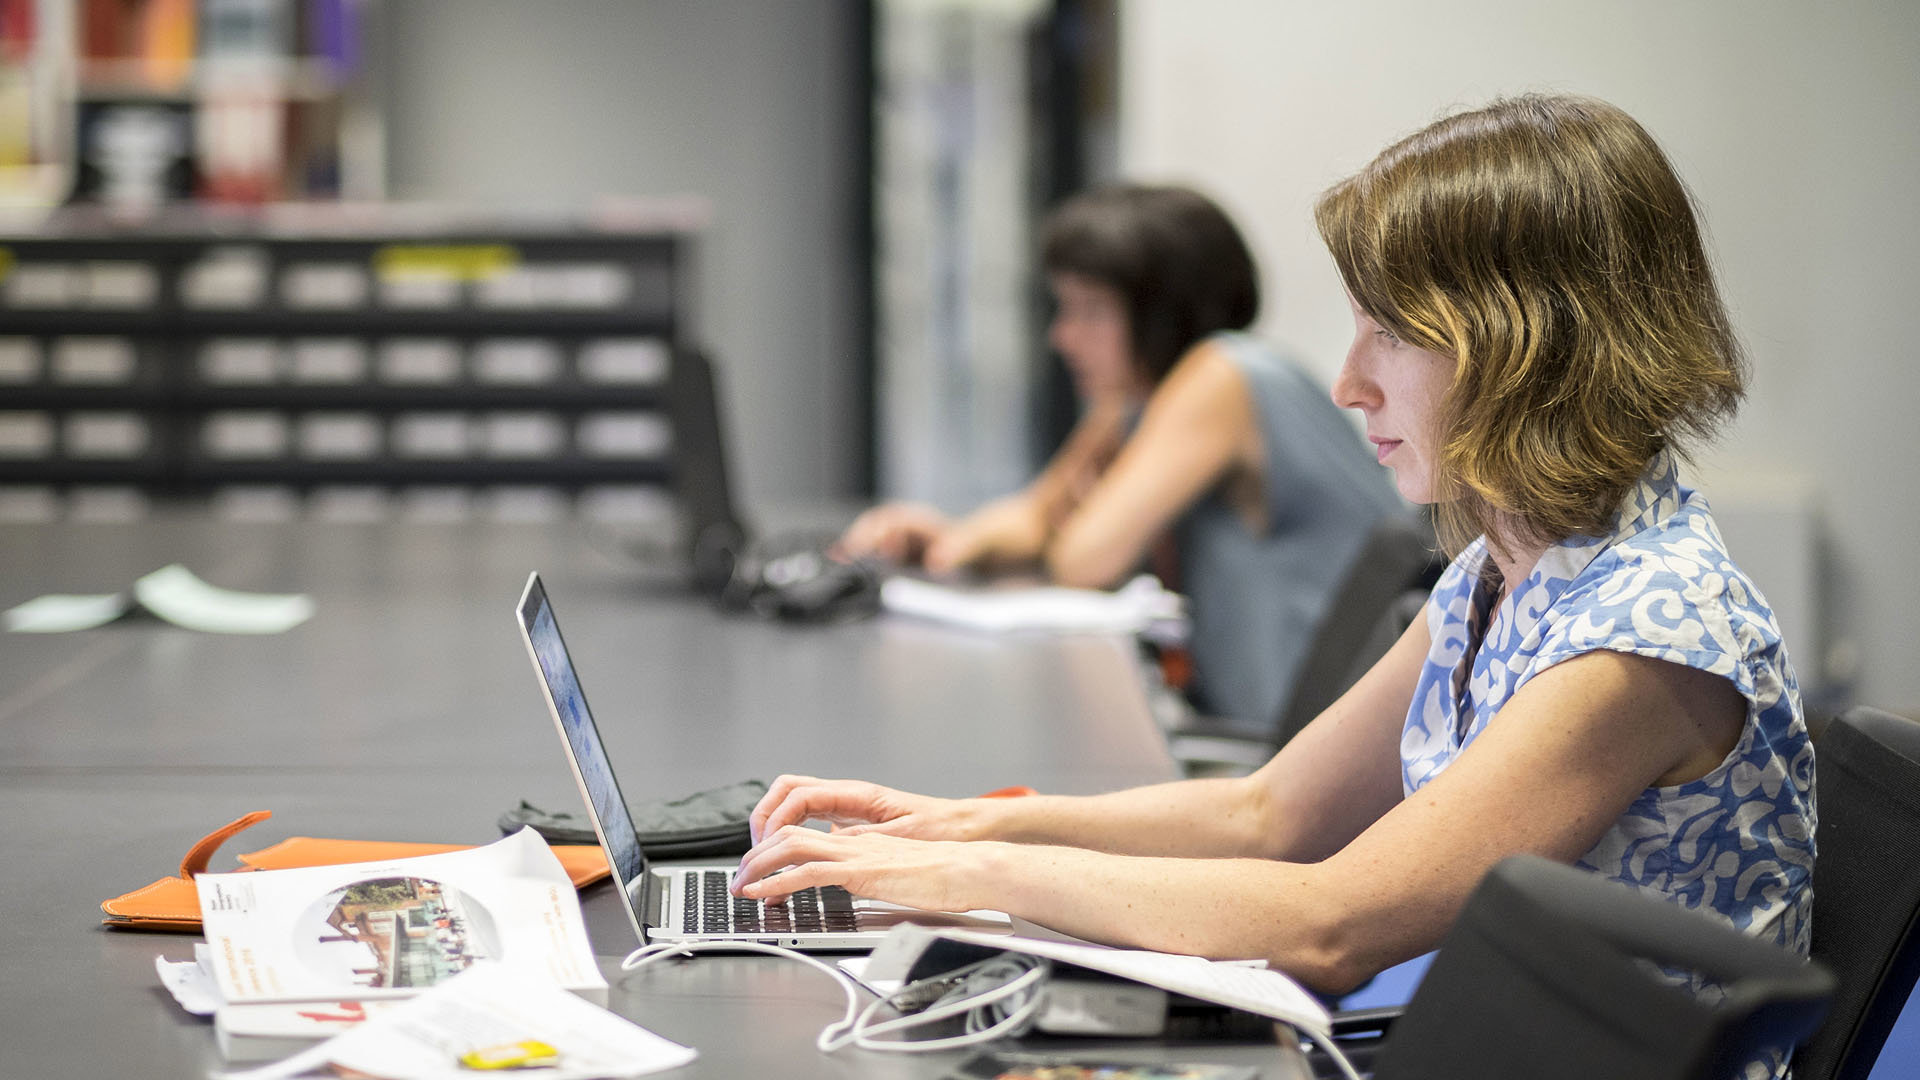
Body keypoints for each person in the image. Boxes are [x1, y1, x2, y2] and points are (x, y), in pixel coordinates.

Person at [740, 96, 1813, 1076]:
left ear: (1528, 344)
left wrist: (975, 885)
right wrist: (964, 829)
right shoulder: (1513, 567)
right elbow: (1270, 815)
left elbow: (1331, 925)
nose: (1349, 383)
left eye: (1391, 332)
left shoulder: (1642, 638)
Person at [840, 184, 1403, 729]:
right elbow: (1037, 515)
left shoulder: (1222, 376)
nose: (1063, 336)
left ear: (1161, 314)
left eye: (1089, 311)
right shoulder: (1145, 398)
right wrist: (944, 539)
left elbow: (1082, 560)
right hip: (1257, 733)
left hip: (1298, 751)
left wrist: (997, 537)